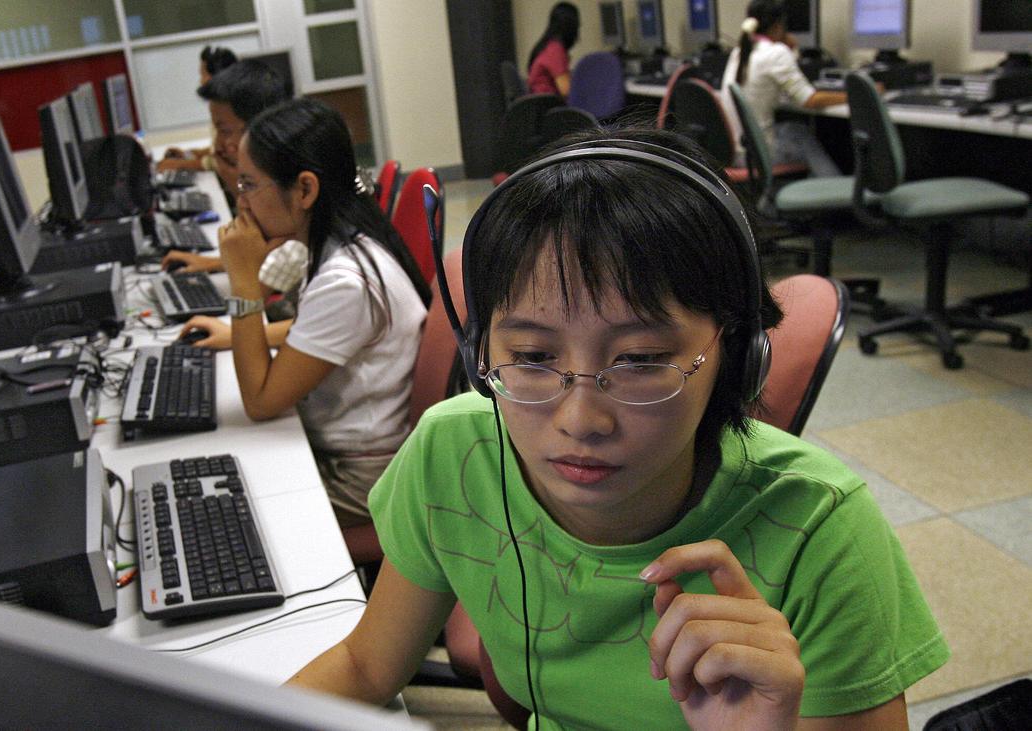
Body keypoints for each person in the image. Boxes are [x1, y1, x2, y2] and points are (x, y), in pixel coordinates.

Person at [287, 127, 948, 729]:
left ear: (738, 355)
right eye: (533, 356)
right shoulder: (454, 454)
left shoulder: (820, 529)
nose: (580, 421)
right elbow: (366, 667)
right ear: (480, 353)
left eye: (640, 359)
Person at [179, 98, 431, 526]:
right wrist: (236, 332)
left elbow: (260, 401)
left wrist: (243, 283)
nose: (241, 203)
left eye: (248, 185)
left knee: (213, 513)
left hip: (361, 479)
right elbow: (317, 329)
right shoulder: (344, 241)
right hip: (348, 452)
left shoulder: (346, 281)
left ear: (305, 190)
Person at [160, 60, 292, 275]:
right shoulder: (265, 177)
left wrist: (238, 186)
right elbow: (263, 258)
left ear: (260, 127)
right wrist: (213, 264)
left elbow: (266, 278)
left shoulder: (288, 188)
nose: (218, 144)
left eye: (225, 131)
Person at [722, 0, 847, 177]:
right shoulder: (776, 52)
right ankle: (834, 186)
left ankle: (822, 186)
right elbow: (809, 100)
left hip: (737, 150)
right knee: (802, 135)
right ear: (778, 25)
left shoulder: (740, 52)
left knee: (794, 129)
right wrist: (851, 95)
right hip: (755, 155)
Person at [158, 45, 240, 169]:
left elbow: (222, 160)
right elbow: (218, 150)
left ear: (217, 77)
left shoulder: (231, 111)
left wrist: (180, 165)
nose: (201, 82)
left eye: (203, 75)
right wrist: (190, 154)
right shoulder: (223, 106)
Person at [526, 2, 580, 97]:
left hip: (542, 101)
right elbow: (566, 90)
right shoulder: (555, 50)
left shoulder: (547, 46)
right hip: (548, 103)